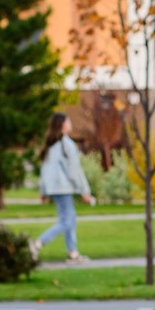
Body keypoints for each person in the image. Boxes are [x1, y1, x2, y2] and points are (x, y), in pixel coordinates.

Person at [34, 112, 95, 262]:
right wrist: (84, 191)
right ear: (63, 125)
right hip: (63, 188)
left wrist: (44, 191)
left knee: (70, 219)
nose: (70, 123)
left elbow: (44, 170)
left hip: (55, 189)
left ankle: (72, 253)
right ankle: (37, 243)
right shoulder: (66, 145)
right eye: (68, 121)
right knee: (66, 221)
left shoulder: (51, 145)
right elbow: (75, 170)